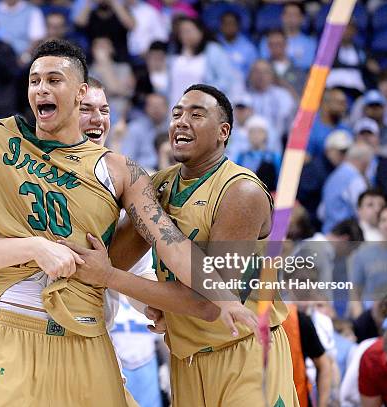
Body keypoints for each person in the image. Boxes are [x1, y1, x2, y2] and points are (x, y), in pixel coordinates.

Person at [0, 40, 250, 405]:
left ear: (78, 92)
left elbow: (170, 244)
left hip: (87, 337)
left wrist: (222, 296)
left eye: (53, 80)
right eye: (34, 81)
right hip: (11, 331)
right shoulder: (0, 147)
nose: (42, 89)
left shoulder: (121, 171)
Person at [63, 84, 298, 406]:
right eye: (177, 114)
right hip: (185, 358)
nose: (181, 122)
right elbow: (114, 258)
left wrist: (109, 278)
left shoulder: (241, 192)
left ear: (223, 132)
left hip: (243, 353)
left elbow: (209, 303)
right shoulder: (158, 185)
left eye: (196, 115)